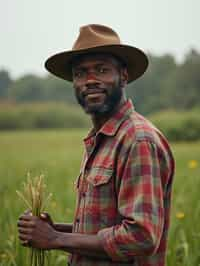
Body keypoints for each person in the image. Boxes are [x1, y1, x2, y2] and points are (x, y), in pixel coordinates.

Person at [17, 24, 175, 266]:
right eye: (80, 73)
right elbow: (105, 227)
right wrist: (53, 230)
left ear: (123, 75)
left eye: (101, 70)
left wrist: (57, 238)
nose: (90, 80)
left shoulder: (137, 140)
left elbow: (141, 237)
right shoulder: (101, 139)